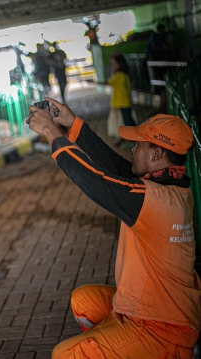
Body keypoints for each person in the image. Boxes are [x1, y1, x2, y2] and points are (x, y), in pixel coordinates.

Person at [26, 98, 201, 359]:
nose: (133, 149)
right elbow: (116, 169)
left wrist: (52, 132)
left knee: (64, 354)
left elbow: (97, 181)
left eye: (138, 145)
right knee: (83, 301)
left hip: (161, 329)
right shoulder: (172, 187)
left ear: (156, 154)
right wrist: (72, 125)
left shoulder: (153, 200)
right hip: (150, 311)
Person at [102, 53, 135, 146]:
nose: (113, 65)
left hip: (122, 102)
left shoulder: (119, 75)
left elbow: (108, 83)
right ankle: (131, 138)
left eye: (114, 63)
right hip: (125, 101)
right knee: (128, 120)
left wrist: (94, 82)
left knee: (128, 121)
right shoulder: (124, 74)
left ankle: (133, 139)